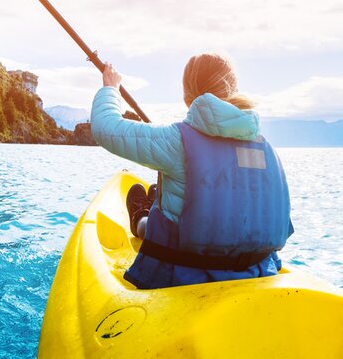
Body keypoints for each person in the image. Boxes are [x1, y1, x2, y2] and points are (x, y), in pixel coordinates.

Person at [91, 53, 293, 289]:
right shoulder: (266, 148)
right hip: (258, 272)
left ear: (187, 96)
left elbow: (106, 128)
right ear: (233, 90)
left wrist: (111, 87)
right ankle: (153, 204)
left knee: (160, 213)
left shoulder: (176, 141)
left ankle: (142, 217)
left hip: (183, 275)